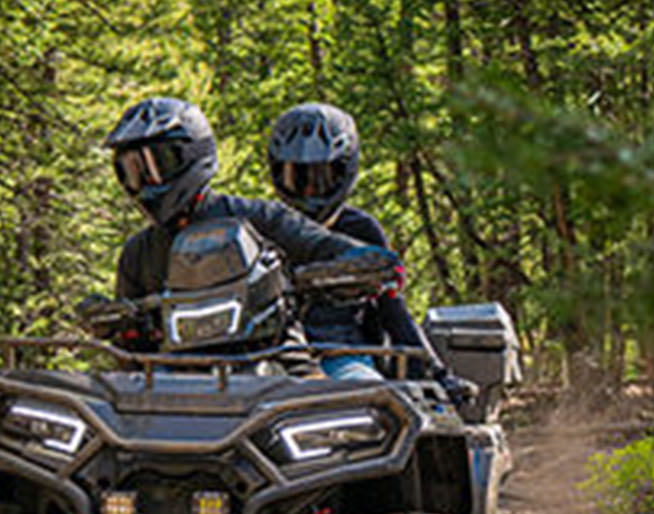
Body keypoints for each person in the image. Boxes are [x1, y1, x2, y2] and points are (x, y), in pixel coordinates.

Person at [105, 96, 393, 307]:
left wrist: (357, 262)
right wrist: (110, 320)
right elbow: (126, 349)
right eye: (131, 171)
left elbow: (321, 244)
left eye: (156, 166)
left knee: (357, 384)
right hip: (174, 374)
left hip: (273, 366)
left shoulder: (260, 218)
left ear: (192, 154)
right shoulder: (137, 253)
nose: (144, 183)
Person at [267, 101, 468, 400]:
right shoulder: (264, 226)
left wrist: (437, 374)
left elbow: (393, 310)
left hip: (343, 356)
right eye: (296, 177)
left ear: (345, 172)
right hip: (270, 359)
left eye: (321, 178)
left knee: (371, 400)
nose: (309, 191)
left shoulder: (361, 230)